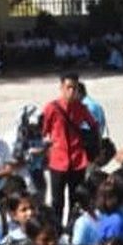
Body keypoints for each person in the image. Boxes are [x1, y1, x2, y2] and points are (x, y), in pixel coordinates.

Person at [40, 74, 98, 220]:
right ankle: (57, 230)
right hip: (58, 161)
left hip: (78, 160)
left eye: (75, 88)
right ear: (61, 88)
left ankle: (72, 229)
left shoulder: (81, 108)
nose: (72, 91)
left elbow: (94, 126)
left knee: (76, 200)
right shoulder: (51, 108)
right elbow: (44, 130)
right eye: (68, 87)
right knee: (57, 201)